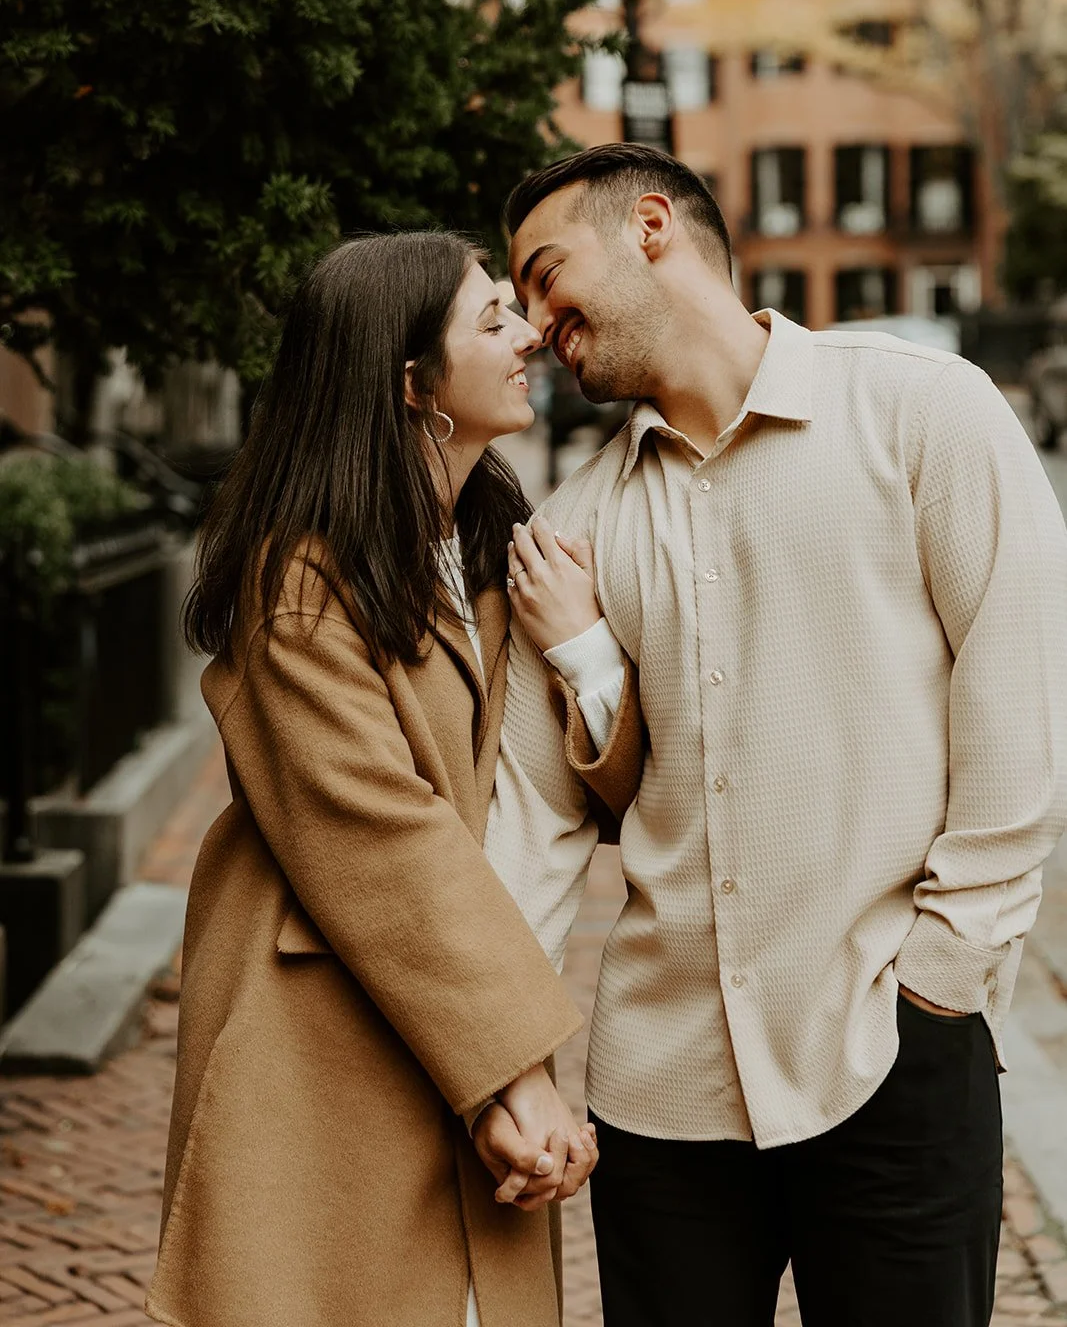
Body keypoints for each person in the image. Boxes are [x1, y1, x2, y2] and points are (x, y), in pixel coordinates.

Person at [492, 142, 1067, 1327]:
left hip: (890, 1055)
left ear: (650, 225)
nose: (538, 319)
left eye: (547, 275)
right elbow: (534, 832)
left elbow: (1017, 719)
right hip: (660, 1098)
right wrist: (502, 1059)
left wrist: (940, 991)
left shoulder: (924, 413)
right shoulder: (571, 530)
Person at [146, 231, 643, 1327]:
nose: (529, 338)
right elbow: (385, 839)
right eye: (492, 321)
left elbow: (591, 792)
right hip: (326, 1042)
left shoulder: (500, 554)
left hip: (462, 1015)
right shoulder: (300, 584)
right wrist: (519, 1069)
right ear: (414, 385)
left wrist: (584, 654)